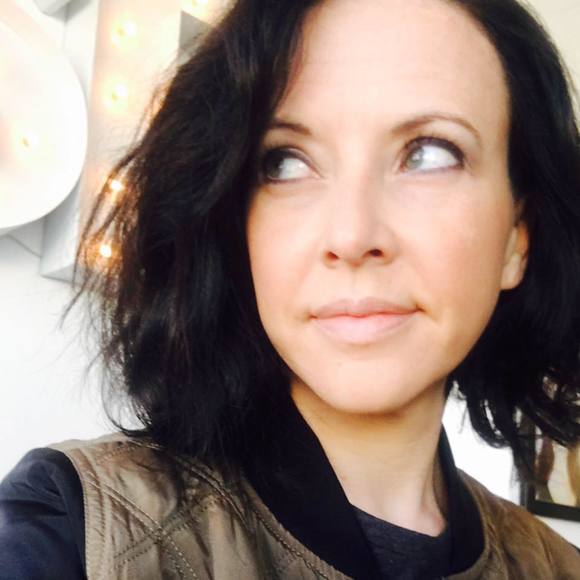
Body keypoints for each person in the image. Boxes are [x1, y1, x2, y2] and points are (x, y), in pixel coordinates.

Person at [1, 0, 579, 578]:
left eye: (429, 154)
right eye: (285, 162)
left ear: (516, 238)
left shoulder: (558, 566)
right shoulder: (71, 529)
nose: (352, 235)